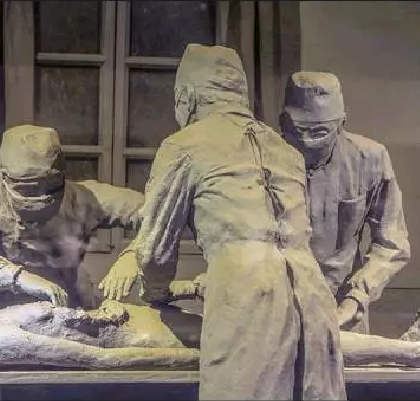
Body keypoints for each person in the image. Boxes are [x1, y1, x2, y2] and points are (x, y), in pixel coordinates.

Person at [101, 44, 346, 400]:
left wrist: (156, 294)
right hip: (314, 298)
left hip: (247, 298)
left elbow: (155, 251)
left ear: (187, 97)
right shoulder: (286, 151)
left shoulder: (184, 146)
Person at [0, 283, 420, 373]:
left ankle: (404, 350)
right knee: (290, 343)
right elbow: (95, 360)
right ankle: (418, 353)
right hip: (150, 339)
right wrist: (192, 364)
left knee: (290, 337)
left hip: (143, 322)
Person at [0, 124, 143, 310]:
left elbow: (154, 211)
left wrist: (134, 255)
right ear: (3, 175)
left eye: (51, 185)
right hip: (6, 312)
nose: (41, 197)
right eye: (29, 188)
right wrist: (19, 278)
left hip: (72, 305)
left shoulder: (84, 198)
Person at [279, 71, 411, 333]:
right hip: (280, 306)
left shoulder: (369, 159)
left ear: (341, 124)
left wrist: (357, 297)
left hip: (343, 306)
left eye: (319, 132)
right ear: (282, 122)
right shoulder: (263, 159)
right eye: (297, 130)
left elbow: (392, 243)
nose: (306, 141)